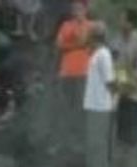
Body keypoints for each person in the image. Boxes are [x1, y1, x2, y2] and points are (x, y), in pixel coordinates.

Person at [55, 0, 93, 156]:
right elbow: (59, 45)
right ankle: (64, 142)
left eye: (79, 8)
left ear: (85, 9)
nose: (75, 11)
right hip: (66, 72)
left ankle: (81, 142)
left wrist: (73, 43)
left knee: (81, 108)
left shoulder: (91, 26)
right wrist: (77, 45)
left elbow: (88, 43)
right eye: (73, 8)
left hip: (84, 73)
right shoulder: (66, 25)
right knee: (65, 109)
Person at [82, 22, 116, 167]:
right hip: (92, 103)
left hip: (101, 105)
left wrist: (113, 99)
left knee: (99, 141)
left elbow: (109, 80)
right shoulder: (96, 54)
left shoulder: (104, 54)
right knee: (91, 139)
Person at [113, 9, 137, 158]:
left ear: (131, 23)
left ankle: (134, 166)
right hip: (122, 93)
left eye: (123, 20)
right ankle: (122, 164)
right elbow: (118, 65)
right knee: (121, 131)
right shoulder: (118, 41)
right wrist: (122, 84)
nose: (120, 22)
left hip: (135, 94)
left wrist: (131, 85)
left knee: (133, 132)